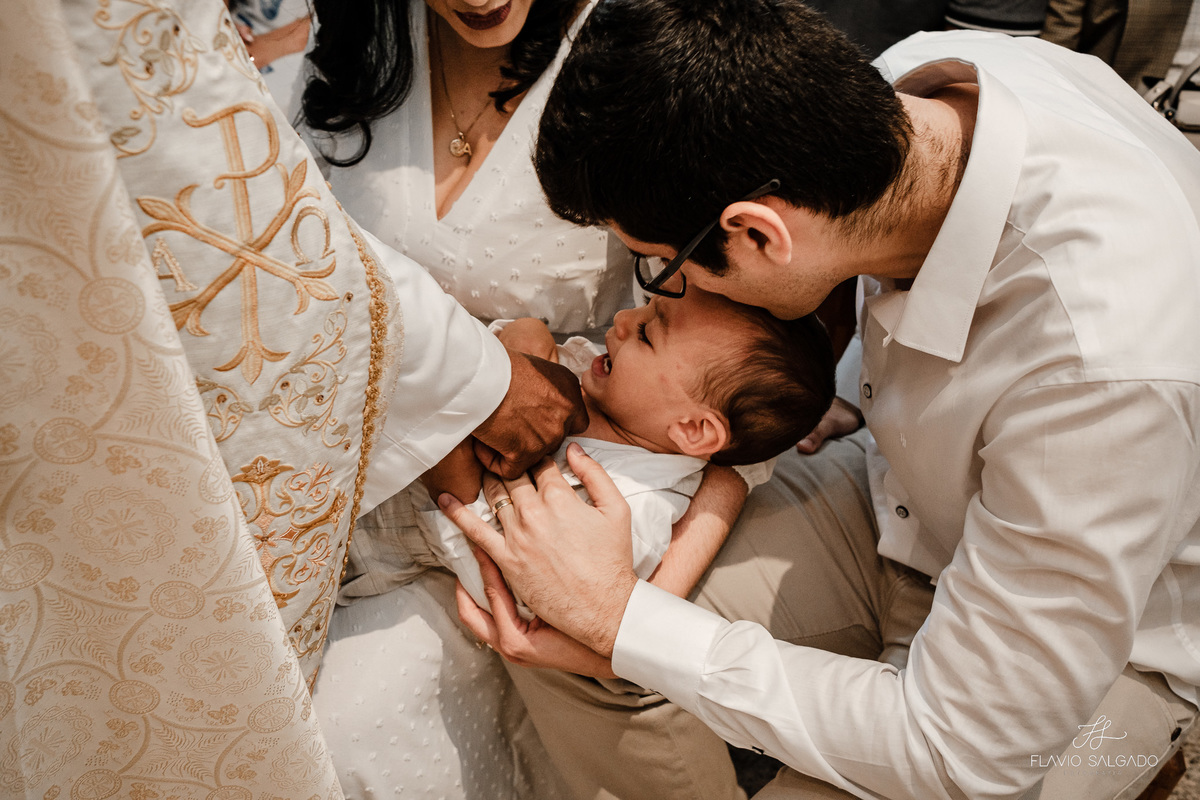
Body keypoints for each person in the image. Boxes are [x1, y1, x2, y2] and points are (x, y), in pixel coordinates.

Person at [441, 1, 1200, 798]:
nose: (668, 296)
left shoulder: (1101, 367)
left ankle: (1135, 764)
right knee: (551, 605)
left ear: (762, 235)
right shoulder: (926, 86)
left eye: (666, 268)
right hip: (898, 502)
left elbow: (967, 752)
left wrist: (621, 619)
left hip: (1113, 653)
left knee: (612, 623)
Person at [299, 2, 755, 797]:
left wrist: (640, 614)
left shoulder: (642, 60)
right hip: (318, 455)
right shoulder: (348, 41)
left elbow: (730, 378)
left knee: (333, 728)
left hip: (491, 536)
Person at [359, 294, 837, 636]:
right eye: (645, 307)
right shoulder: (592, 369)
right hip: (362, 444)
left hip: (363, 541)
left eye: (647, 333)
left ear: (693, 430)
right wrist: (523, 346)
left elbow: (525, 592)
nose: (624, 318)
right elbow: (502, 349)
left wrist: (457, 439)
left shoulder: (635, 508)